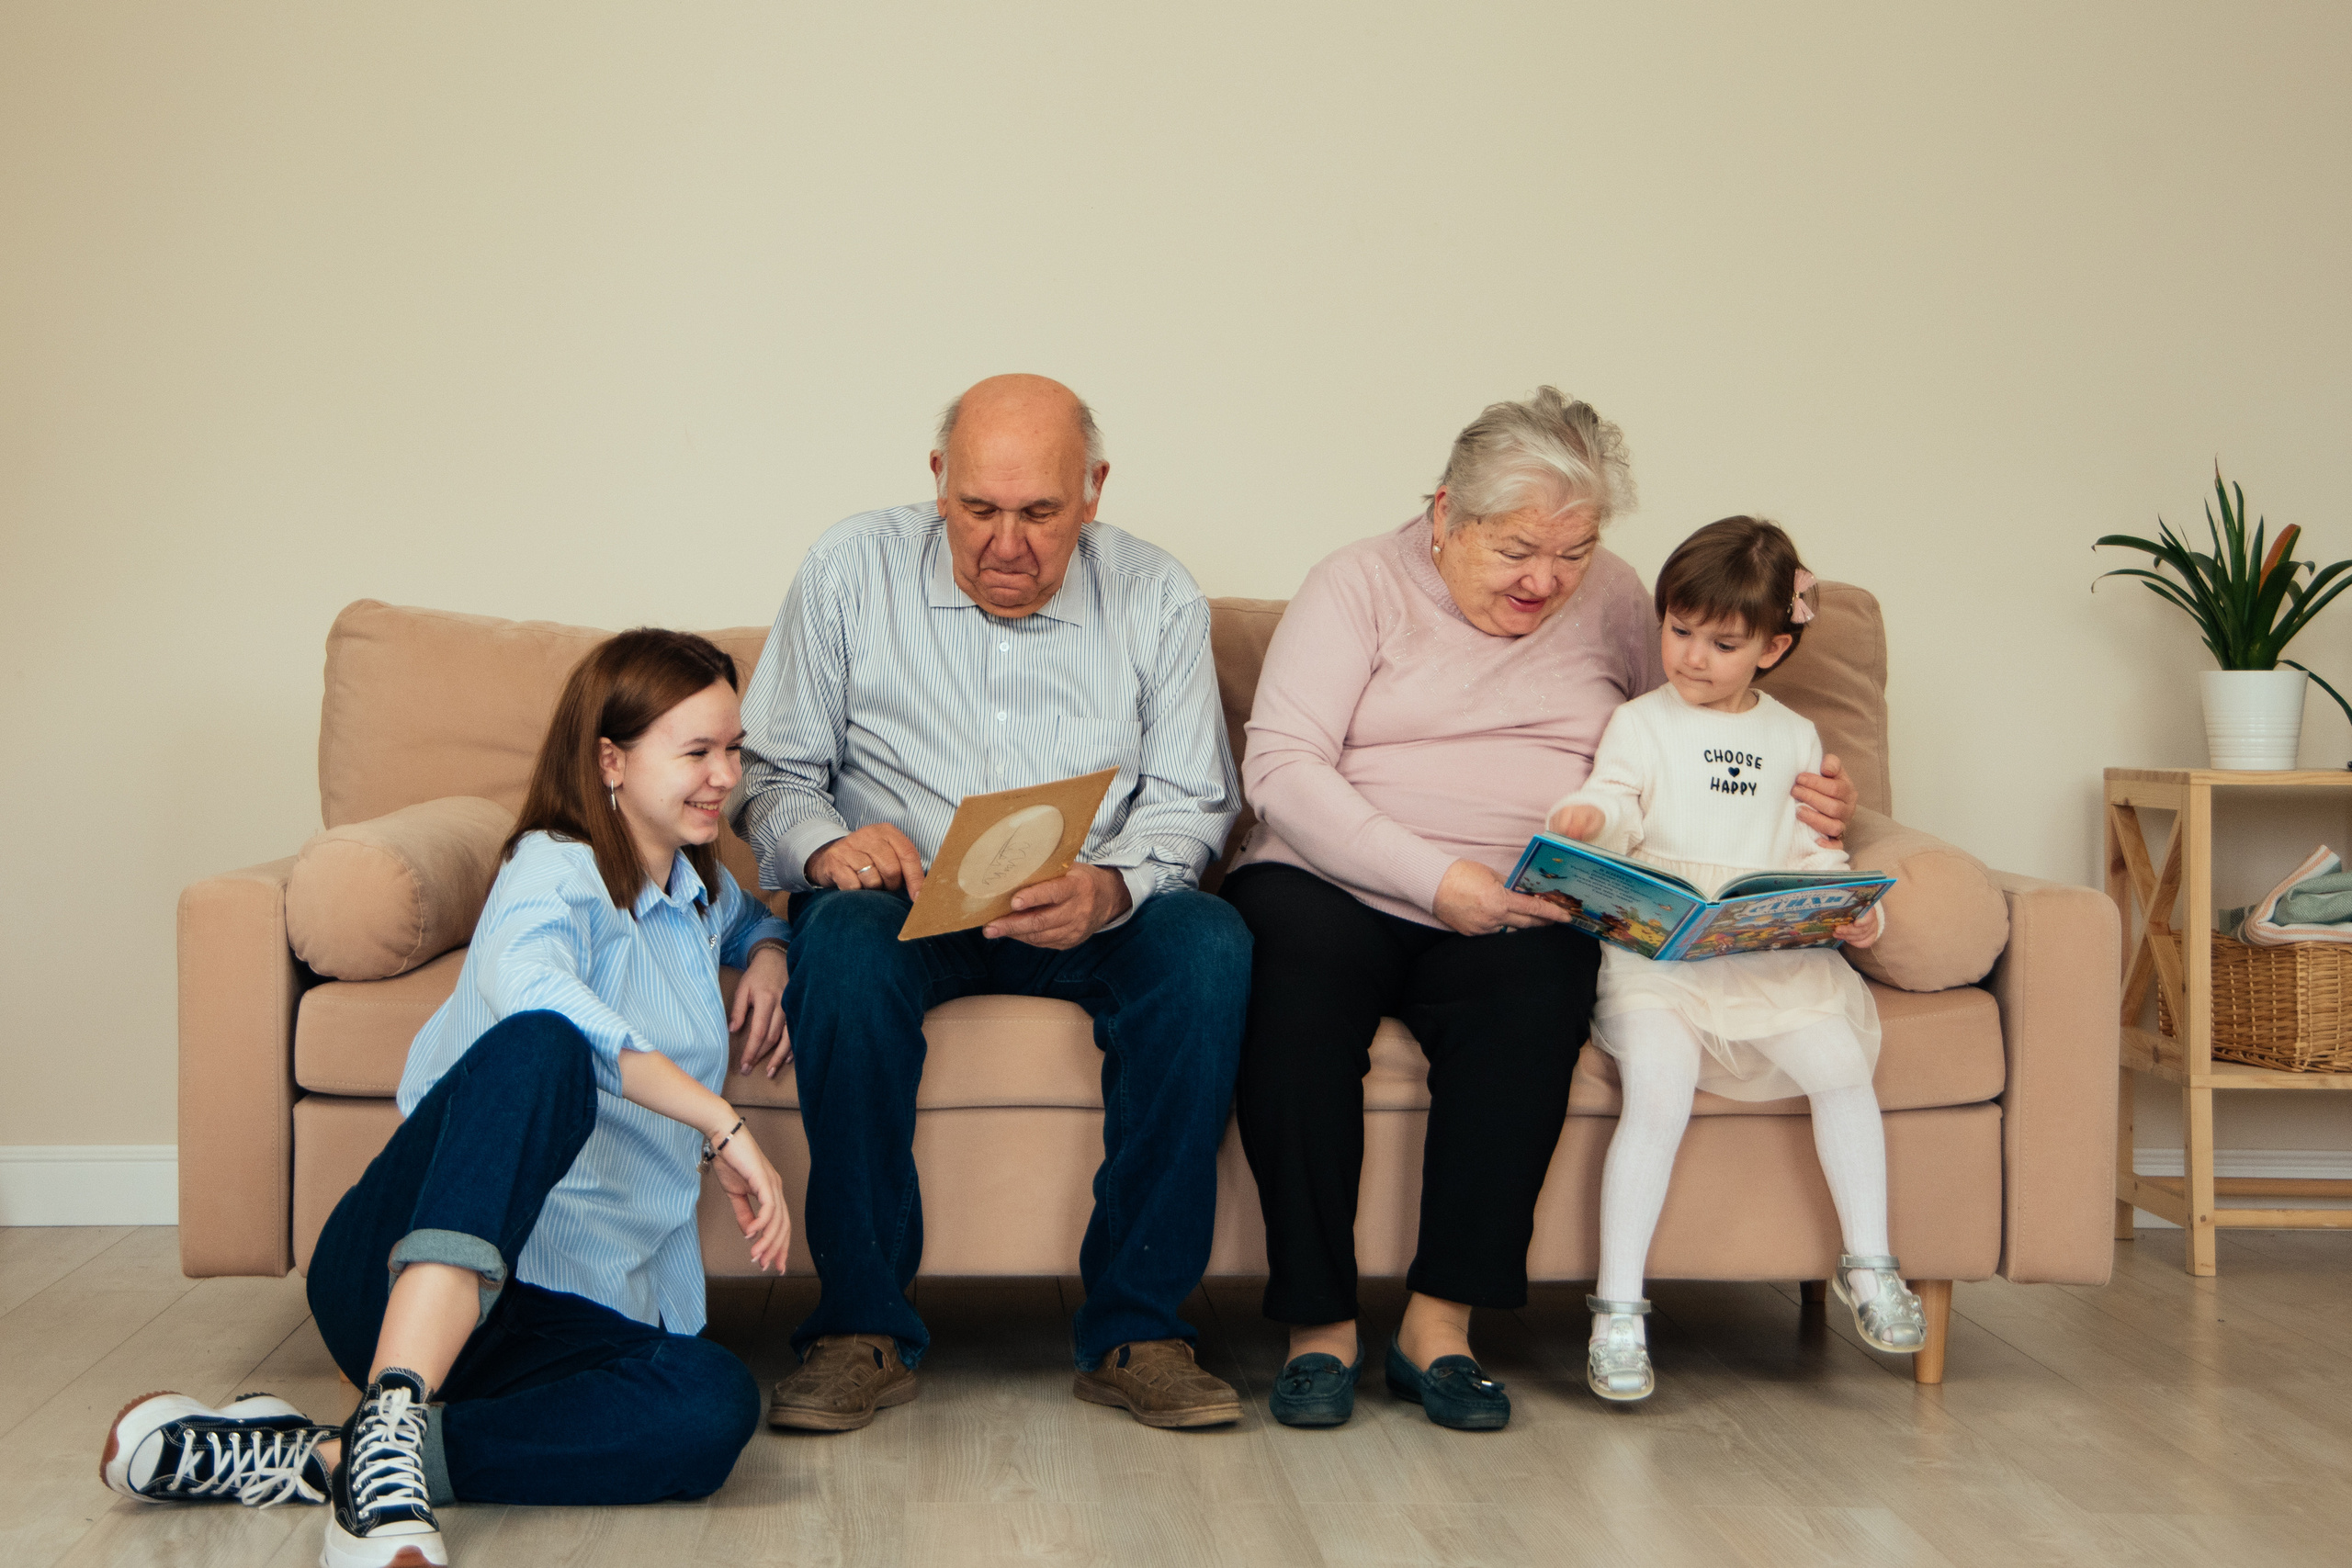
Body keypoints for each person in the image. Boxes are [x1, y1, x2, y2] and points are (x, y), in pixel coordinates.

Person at [1223, 389, 1859, 1431]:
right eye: (1519, 548)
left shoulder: (1610, 597)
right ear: (1442, 515)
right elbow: (1282, 769)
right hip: (1328, 877)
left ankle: (1438, 1329)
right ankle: (1318, 1330)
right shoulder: (1356, 584)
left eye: (1574, 550)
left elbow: (1708, 720)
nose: (1545, 581)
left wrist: (1810, 798)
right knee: (1291, 1004)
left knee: (1534, 1006)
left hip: (1523, 897)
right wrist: (1433, 879)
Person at [102, 630, 790, 1567]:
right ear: (612, 760)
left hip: (554, 1318)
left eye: (733, 748)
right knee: (544, 1045)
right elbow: (534, 993)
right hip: (392, 1279)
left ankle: (331, 1458)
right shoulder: (552, 867)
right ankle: (392, 1405)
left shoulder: (697, 890)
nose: (724, 776)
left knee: (714, 1406)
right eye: (697, 752)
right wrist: (719, 1121)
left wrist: (768, 955)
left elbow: (752, 914)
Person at [732, 374, 1252, 1432]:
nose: (1004, 546)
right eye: (978, 510)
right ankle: (858, 1329)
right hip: (906, 905)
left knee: (1207, 943)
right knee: (844, 951)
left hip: (1089, 906)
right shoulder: (846, 569)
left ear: (1094, 491)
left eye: (1039, 514)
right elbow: (768, 776)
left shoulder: (1157, 594)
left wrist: (1112, 888)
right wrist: (831, 846)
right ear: (937, 483)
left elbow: (1195, 799)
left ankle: (1137, 1331)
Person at [1549, 516, 1924, 1404]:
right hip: (1661, 966)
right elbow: (1614, 800)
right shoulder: (1640, 723)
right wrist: (1586, 821)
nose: (1693, 656)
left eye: (1723, 642)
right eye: (1678, 630)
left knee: (1838, 1063)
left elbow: (1814, 850)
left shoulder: (1795, 738)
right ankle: (1619, 1309)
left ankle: (1870, 1261)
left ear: (1774, 645)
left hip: (1765, 965)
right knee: (1661, 1082)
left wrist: (1847, 911)